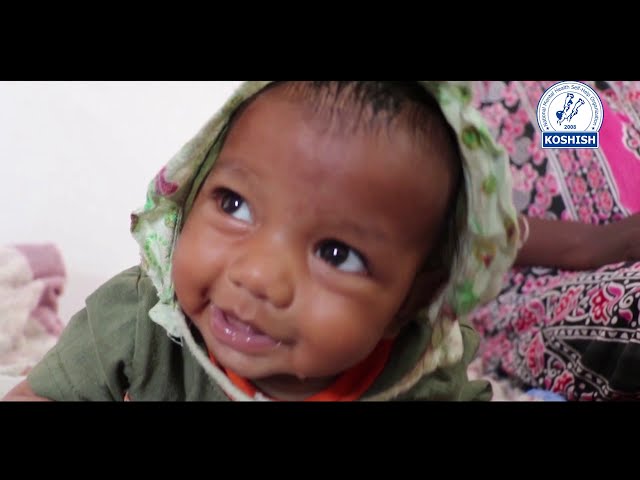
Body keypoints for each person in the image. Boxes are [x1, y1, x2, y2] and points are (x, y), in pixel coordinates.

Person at [2, 81, 520, 401]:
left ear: (409, 302)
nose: (257, 275)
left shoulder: (422, 381)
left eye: (336, 254)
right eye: (234, 205)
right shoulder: (140, 321)